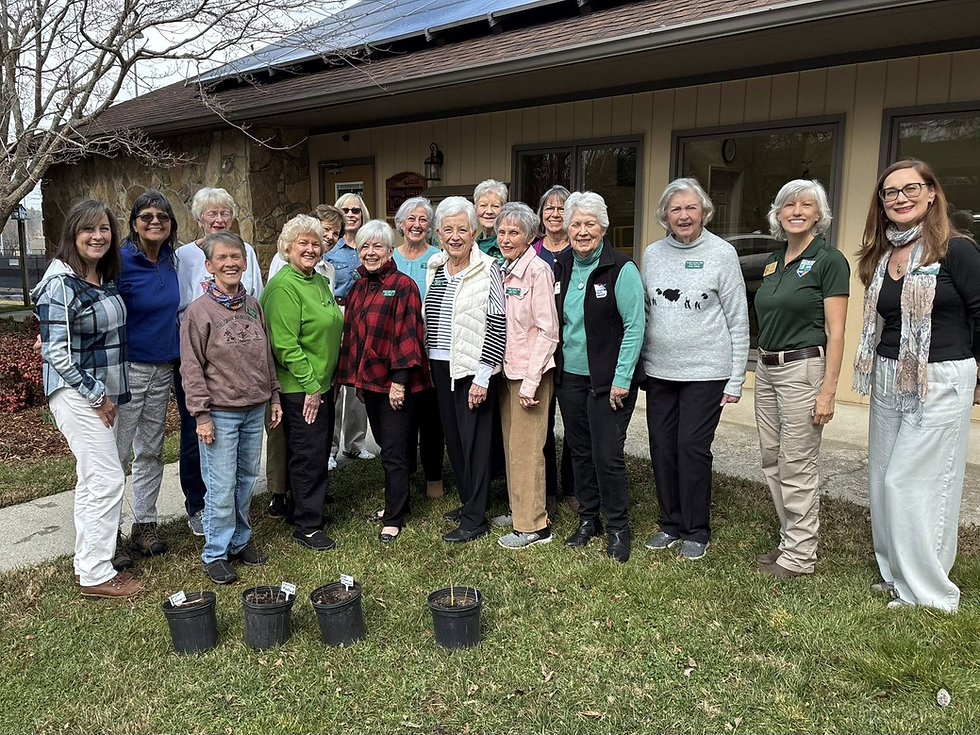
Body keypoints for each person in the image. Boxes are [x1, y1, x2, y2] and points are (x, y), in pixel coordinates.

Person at [853, 159, 980, 613]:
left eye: (911, 189)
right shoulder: (884, 254)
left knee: (914, 481)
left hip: (940, 376)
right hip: (890, 374)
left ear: (931, 194)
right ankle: (895, 574)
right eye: (890, 192)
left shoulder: (957, 250)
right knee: (883, 478)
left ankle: (927, 592)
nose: (900, 198)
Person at [33, 200, 143, 599]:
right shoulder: (60, 282)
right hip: (78, 394)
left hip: (100, 391)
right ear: (72, 235)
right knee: (108, 478)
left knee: (91, 479)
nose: (97, 236)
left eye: (104, 229)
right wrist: (97, 397)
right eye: (88, 230)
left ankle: (90, 563)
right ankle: (97, 574)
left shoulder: (101, 276)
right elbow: (56, 352)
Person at [641, 178, 749, 561]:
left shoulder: (722, 254)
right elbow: (645, 311)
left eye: (690, 208)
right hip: (659, 372)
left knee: (691, 447)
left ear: (703, 211)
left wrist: (736, 377)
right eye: (676, 209)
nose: (683, 216)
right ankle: (669, 523)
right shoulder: (652, 253)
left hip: (706, 371)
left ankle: (695, 529)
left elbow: (738, 319)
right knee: (662, 446)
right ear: (665, 216)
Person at [753, 179, 849, 578]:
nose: (796, 210)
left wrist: (828, 391)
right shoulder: (774, 261)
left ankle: (801, 556)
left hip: (803, 368)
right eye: (788, 204)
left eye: (806, 204)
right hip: (765, 367)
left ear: (818, 214)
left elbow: (837, 331)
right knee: (772, 459)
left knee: (798, 462)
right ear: (778, 213)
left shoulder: (830, 260)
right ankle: (790, 540)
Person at [180, 231, 281, 584]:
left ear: (245, 261)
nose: (230, 263)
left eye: (236, 256)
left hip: (255, 407)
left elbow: (265, 355)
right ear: (209, 266)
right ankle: (215, 553)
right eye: (222, 258)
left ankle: (239, 542)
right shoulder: (198, 312)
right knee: (220, 486)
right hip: (220, 412)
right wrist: (201, 414)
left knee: (245, 481)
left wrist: (275, 396)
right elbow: (190, 368)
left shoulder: (253, 305)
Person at [555, 191, 645, 562]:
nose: (582, 231)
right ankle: (588, 520)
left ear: (604, 227)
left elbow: (635, 327)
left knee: (607, 455)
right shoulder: (561, 265)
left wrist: (622, 378)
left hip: (609, 381)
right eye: (575, 224)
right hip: (570, 377)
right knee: (578, 451)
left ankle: (618, 527)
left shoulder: (620, 268)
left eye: (589, 224)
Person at [175, 187, 264, 537]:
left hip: (246, 378)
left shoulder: (249, 262)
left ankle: (237, 537)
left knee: (243, 473)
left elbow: (252, 297)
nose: (218, 219)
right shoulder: (185, 257)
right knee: (206, 451)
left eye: (224, 213)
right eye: (211, 214)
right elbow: (181, 305)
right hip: (206, 368)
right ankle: (203, 515)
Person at [336, 220, 430, 543]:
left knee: (394, 449)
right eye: (365, 247)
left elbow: (408, 336)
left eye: (378, 246)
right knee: (387, 446)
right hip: (371, 383)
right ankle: (394, 503)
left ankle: (394, 516)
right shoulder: (359, 287)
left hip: (395, 384)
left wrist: (399, 381)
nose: (371, 252)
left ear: (390, 250)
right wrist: (358, 382)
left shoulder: (403, 286)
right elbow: (356, 338)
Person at [424, 196, 507, 543]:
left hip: (472, 368)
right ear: (439, 234)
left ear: (474, 233)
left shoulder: (489, 269)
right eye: (448, 230)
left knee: (475, 441)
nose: (454, 236)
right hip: (440, 365)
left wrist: (484, 374)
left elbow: (498, 321)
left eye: (462, 229)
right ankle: (468, 501)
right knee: (455, 440)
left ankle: (475, 518)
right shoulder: (435, 266)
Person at [260, 215, 344, 551]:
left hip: (321, 385)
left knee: (317, 451)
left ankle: (306, 510)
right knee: (308, 454)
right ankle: (308, 526)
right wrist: (311, 386)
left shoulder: (317, 281)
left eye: (315, 243)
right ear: (287, 248)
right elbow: (284, 345)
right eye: (302, 244)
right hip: (300, 387)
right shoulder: (284, 286)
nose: (310, 249)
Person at [113, 190, 181, 565]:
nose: (155, 222)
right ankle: (109, 535)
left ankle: (145, 524)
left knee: (151, 451)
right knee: (117, 454)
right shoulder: (121, 262)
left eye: (163, 217)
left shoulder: (172, 260)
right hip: (129, 369)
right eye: (147, 216)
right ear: (134, 223)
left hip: (163, 368)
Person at [495, 202, 559, 549]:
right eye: (502, 232)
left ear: (530, 236)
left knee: (527, 449)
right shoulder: (506, 269)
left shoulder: (537, 271)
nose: (506, 238)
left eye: (514, 232)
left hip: (530, 374)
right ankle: (519, 509)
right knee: (511, 446)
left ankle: (534, 526)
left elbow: (548, 332)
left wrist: (532, 380)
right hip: (509, 371)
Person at [392, 196, 445, 499]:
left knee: (431, 413)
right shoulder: (389, 257)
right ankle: (406, 469)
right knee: (401, 415)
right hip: (396, 351)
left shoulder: (439, 258)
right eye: (410, 219)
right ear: (400, 224)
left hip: (430, 346)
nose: (416, 224)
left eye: (423, 219)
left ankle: (434, 475)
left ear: (430, 225)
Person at [532, 185, 576, 516]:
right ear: (541, 214)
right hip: (540, 350)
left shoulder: (581, 251)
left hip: (573, 349)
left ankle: (573, 488)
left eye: (562, 208)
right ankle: (546, 491)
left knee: (574, 422)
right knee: (541, 424)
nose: (555, 214)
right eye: (549, 208)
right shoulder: (533, 252)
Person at [329, 194, 374, 466]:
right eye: (345, 210)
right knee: (335, 383)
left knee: (360, 382)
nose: (351, 214)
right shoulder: (331, 250)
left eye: (356, 209)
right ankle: (330, 447)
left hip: (365, 317)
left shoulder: (370, 245)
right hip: (338, 314)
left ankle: (355, 443)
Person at [474, 179, 507, 264]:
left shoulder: (508, 245)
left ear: (503, 209)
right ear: (475, 209)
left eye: (495, 206)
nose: (489, 211)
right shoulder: (471, 246)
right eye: (483, 205)